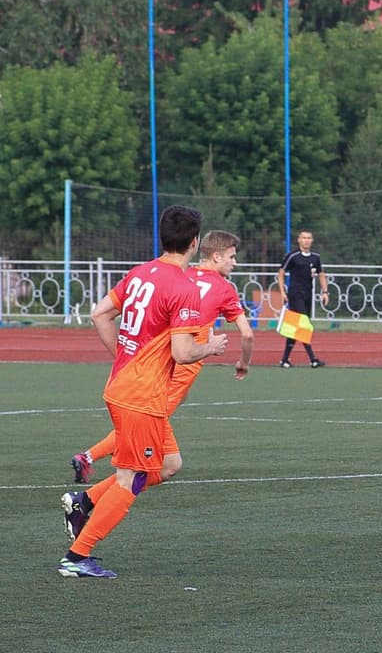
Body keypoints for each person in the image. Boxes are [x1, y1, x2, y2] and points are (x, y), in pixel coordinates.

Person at [58, 205, 228, 578]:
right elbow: (183, 353)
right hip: (143, 395)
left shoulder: (139, 274)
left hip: (123, 385)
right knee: (131, 478)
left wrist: (123, 354)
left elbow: (99, 314)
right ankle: (76, 556)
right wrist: (211, 348)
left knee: (168, 465)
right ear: (195, 242)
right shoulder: (183, 287)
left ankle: (83, 500)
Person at [68, 229, 254, 490]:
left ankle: (97, 470)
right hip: (178, 363)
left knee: (152, 421)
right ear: (215, 256)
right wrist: (243, 363)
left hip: (156, 357)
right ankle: (89, 461)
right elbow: (247, 334)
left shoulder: (181, 274)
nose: (234, 263)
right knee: (159, 440)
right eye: (232, 257)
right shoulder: (224, 288)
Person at [276, 228, 327, 368]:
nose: (306, 240)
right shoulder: (293, 256)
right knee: (304, 325)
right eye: (303, 238)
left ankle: (284, 360)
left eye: (309, 238)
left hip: (307, 295)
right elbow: (281, 273)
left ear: (312, 240)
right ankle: (313, 359)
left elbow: (321, 274)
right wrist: (282, 292)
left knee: (295, 327)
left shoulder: (315, 257)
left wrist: (325, 292)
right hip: (295, 294)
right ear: (299, 240)